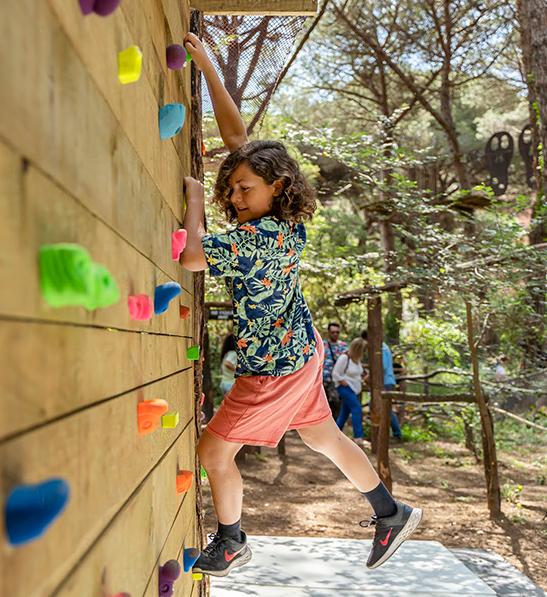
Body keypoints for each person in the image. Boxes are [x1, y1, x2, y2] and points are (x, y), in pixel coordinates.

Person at [179, 32, 422, 578]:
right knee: (322, 435)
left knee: (213, 454)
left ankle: (232, 540)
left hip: (272, 369)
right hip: (301, 352)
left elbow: (193, 258)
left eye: (242, 190)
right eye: (231, 190)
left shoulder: (256, 239)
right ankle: (390, 512)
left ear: (276, 185)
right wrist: (211, 73)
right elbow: (240, 139)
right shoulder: (288, 222)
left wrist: (196, 203)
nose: (234, 197)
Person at [361, 330, 403, 440]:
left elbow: (382, 366)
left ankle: (396, 434)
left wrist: (369, 375)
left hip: (386, 382)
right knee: (377, 407)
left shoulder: (381, 348)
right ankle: (378, 434)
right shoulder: (381, 347)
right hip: (384, 381)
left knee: (385, 409)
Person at [332, 338, 366, 447]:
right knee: (356, 408)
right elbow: (335, 374)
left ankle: (335, 435)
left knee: (344, 413)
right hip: (345, 388)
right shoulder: (344, 358)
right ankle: (358, 437)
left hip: (354, 389)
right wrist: (345, 383)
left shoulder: (356, 360)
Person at [323, 323, 349, 419]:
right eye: (333, 332)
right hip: (324, 380)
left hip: (337, 381)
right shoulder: (323, 345)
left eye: (337, 332)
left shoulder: (344, 346)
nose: (335, 334)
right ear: (328, 333)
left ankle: (336, 426)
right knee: (323, 406)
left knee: (336, 403)